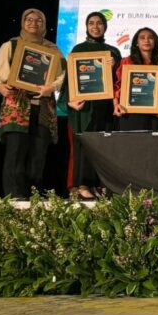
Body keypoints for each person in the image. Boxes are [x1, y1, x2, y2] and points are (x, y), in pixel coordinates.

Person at [0, 8, 65, 198]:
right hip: (17, 106)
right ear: (23, 22)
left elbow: (63, 76)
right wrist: (0, 87)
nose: (33, 23)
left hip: (43, 108)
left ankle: (33, 198)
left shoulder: (53, 49)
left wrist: (51, 87)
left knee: (38, 155)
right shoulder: (11, 45)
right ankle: (15, 198)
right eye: (29, 19)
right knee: (15, 154)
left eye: (39, 20)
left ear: (44, 25)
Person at [59, 11, 121, 199]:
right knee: (84, 145)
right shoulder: (78, 49)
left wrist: (114, 65)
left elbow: (120, 81)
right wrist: (70, 101)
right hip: (84, 106)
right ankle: (82, 184)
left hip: (105, 106)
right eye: (91, 23)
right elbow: (70, 79)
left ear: (105, 26)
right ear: (86, 27)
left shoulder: (113, 52)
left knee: (102, 146)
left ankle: (98, 185)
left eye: (99, 23)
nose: (95, 26)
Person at [114, 28, 158, 131]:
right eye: (142, 38)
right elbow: (117, 86)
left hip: (155, 114)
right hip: (130, 112)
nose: (146, 40)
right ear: (136, 43)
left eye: (150, 38)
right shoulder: (126, 62)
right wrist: (116, 104)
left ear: (155, 42)